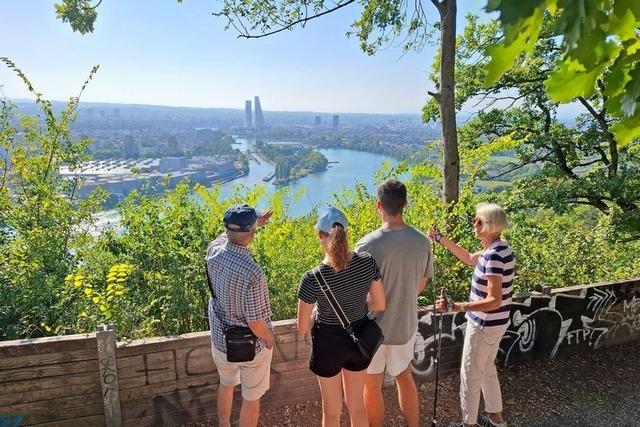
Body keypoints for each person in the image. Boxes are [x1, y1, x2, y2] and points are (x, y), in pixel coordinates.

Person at [354, 179, 434, 427]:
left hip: (371, 329)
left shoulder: (367, 245)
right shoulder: (423, 242)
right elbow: (421, 284)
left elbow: (357, 292)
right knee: (404, 377)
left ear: (378, 205)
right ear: (405, 204)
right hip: (405, 325)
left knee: (372, 384)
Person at [297, 206, 386, 427]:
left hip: (328, 344)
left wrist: (319, 311)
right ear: (346, 233)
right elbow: (379, 303)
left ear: (320, 235)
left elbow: (302, 327)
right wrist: (354, 304)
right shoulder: (367, 262)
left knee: (331, 411)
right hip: (360, 339)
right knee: (356, 405)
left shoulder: (312, 278)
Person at [429, 203, 515, 427]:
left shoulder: (494, 257)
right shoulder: (499, 248)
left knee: (470, 373)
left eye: (478, 221)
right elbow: (468, 257)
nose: (474, 224)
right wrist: (440, 239)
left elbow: (493, 300)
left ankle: (469, 424)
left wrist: (458, 306)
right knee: (486, 368)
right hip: (496, 323)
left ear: (489, 226)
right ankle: (497, 419)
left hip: (484, 324)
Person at [205, 204, 275, 427]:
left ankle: (224, 424)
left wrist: (252, 224)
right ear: (251, 234)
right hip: (249, 345)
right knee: (251, 397)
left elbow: (226, 236)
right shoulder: (252, 271)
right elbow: (255, 321)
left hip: (220, 339)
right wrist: (269, 339)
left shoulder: (213, 251)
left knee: (226, 383)